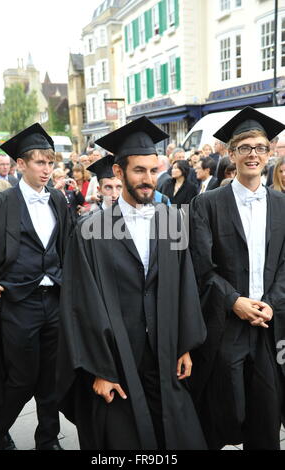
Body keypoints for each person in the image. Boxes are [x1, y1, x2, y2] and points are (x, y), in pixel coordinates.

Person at [57, 116, 207, 450]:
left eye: (154, 171)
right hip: (117, 359)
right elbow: (81, 303)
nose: (148, 179)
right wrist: (99, 369)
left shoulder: (173, 222)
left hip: (164, 351)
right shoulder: (89, 231)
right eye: (139, 170)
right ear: (119, 172)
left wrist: (184, 343)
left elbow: (186, 286)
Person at [189, 106, 285, 450]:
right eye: (244, 148)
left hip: (269, 327)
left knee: (267, 416)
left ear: (269, 152)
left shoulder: (282, 204)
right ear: (231, 154)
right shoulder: (207, 205)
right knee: (222, 414)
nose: (253, 155)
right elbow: (202, 266)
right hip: (225, 325)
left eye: (260, 147)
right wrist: (234, 301)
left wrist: (271, 304)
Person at [0, 123, 71, 450]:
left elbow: (66, 247)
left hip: (55, 300)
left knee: (51, 379)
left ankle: (47, 440)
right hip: (18, 303)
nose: (47, 169)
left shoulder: (59, 200)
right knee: (22, 377)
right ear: (20, 165)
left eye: (50, 163)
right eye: (39, 162)